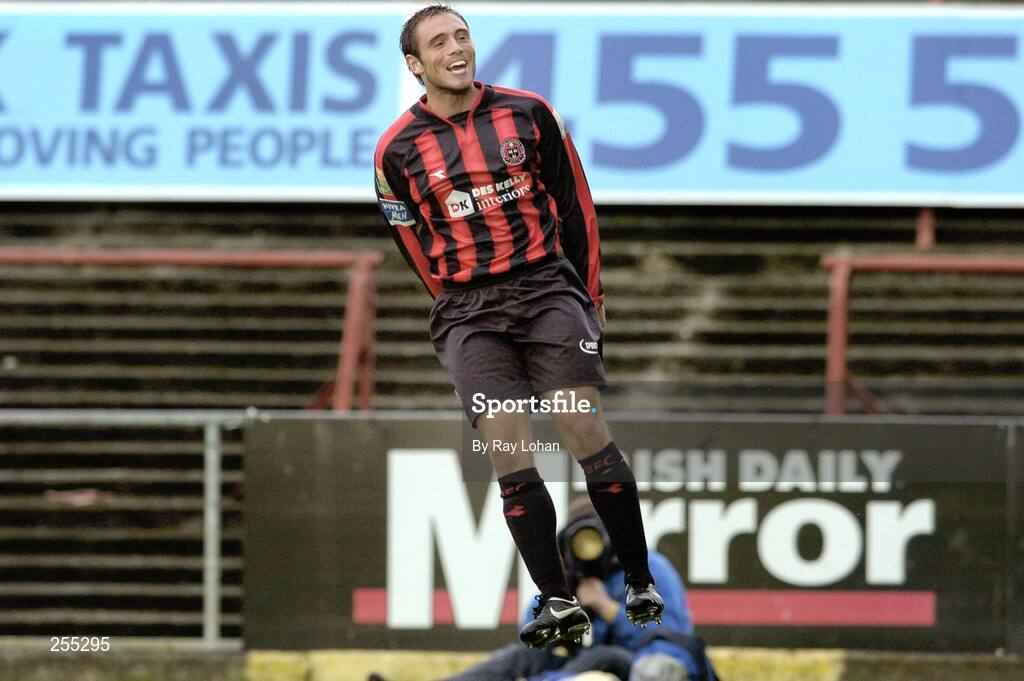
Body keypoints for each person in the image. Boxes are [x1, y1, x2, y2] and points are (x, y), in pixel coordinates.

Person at [373, 2, 663, 648]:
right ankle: (557, 599)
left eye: (463, 35)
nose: (457, 47)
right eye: (440, 41)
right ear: (415, 65)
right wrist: (454, 299)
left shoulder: (530, 113)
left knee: (579, 419)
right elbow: (412, 242)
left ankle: (639, 577)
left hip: (544, 289)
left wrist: (592, 290)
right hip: (469, 312)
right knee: (506, 442)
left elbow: (576, 201)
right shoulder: (393, 151)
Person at [366, 499, 717, 681]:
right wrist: (569, 607)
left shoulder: (646, 565)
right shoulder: (565, 573)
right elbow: (530, 632)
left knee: (605, 659)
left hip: (633, 668)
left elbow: (671, 639)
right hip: (573, 665)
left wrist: (608, 608)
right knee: (517, 659)